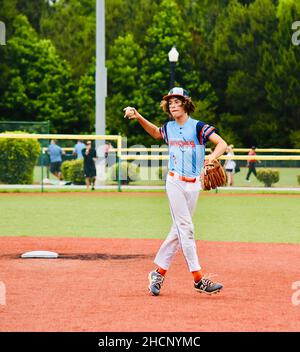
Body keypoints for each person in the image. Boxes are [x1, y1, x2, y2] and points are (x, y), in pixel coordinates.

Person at [124, 87, 227, 296]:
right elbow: (155, 132)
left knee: (178, 230)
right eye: (170, 102)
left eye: (177, 101)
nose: (172, 105)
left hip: (194, 184)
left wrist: (212, 157)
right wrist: (138, 116)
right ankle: (198, 279)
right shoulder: (169, 127)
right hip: (175, 183)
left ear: (186, 104)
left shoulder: (198, 127)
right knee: (186, 228)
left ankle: (158, 273)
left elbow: (222, 144)